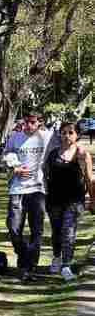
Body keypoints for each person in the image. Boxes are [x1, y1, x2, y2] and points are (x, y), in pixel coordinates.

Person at [3, 113, 56, 282]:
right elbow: (6, 154)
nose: (29, 125)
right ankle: (24, 255)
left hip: (38, 189)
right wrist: (15, 167)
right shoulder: (15, 137)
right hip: (17, 189)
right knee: (13, 227)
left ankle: (29, 266)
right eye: (26, 122)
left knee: (36, 230)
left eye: (33, 122)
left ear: (40, 123)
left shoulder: (48, 137)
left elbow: (65, 145)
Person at [44, 120, 95, 281]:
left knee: (69, 232)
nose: (66, 136)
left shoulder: (82, 155)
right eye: (64, 132)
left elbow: (89, 179)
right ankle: (57, 258)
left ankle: (66, 265)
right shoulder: (53, 154)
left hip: (74, 201)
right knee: (57, 232)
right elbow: (46, 175)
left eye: (70, 132)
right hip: (54, 199)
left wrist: (92, 199)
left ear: (77, 135)